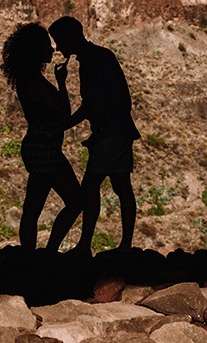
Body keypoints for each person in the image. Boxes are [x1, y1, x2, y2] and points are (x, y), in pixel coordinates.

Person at [48, 16, 141, 256]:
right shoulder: (99, 57)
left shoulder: (95, 60)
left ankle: (85, 245)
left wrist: (72, 126)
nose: (58, 47)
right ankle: (125, 245)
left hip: (110, 132)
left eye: (59, 41)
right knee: (122, 186)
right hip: (118, 130)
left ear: (70, 37)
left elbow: (94, 104)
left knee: (90, 187)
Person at [1, 22, 82, 252]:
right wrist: (84, 109)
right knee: (68, 202)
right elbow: (63, 116)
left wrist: (61, 84)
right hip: (44, 148)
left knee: (38, 206)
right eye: (47, 45)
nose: (52, 48)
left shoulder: (29, 80)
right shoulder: (35, 83)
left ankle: (38, 255)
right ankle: (42, 254)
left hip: (41, 147)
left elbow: (60, 116)